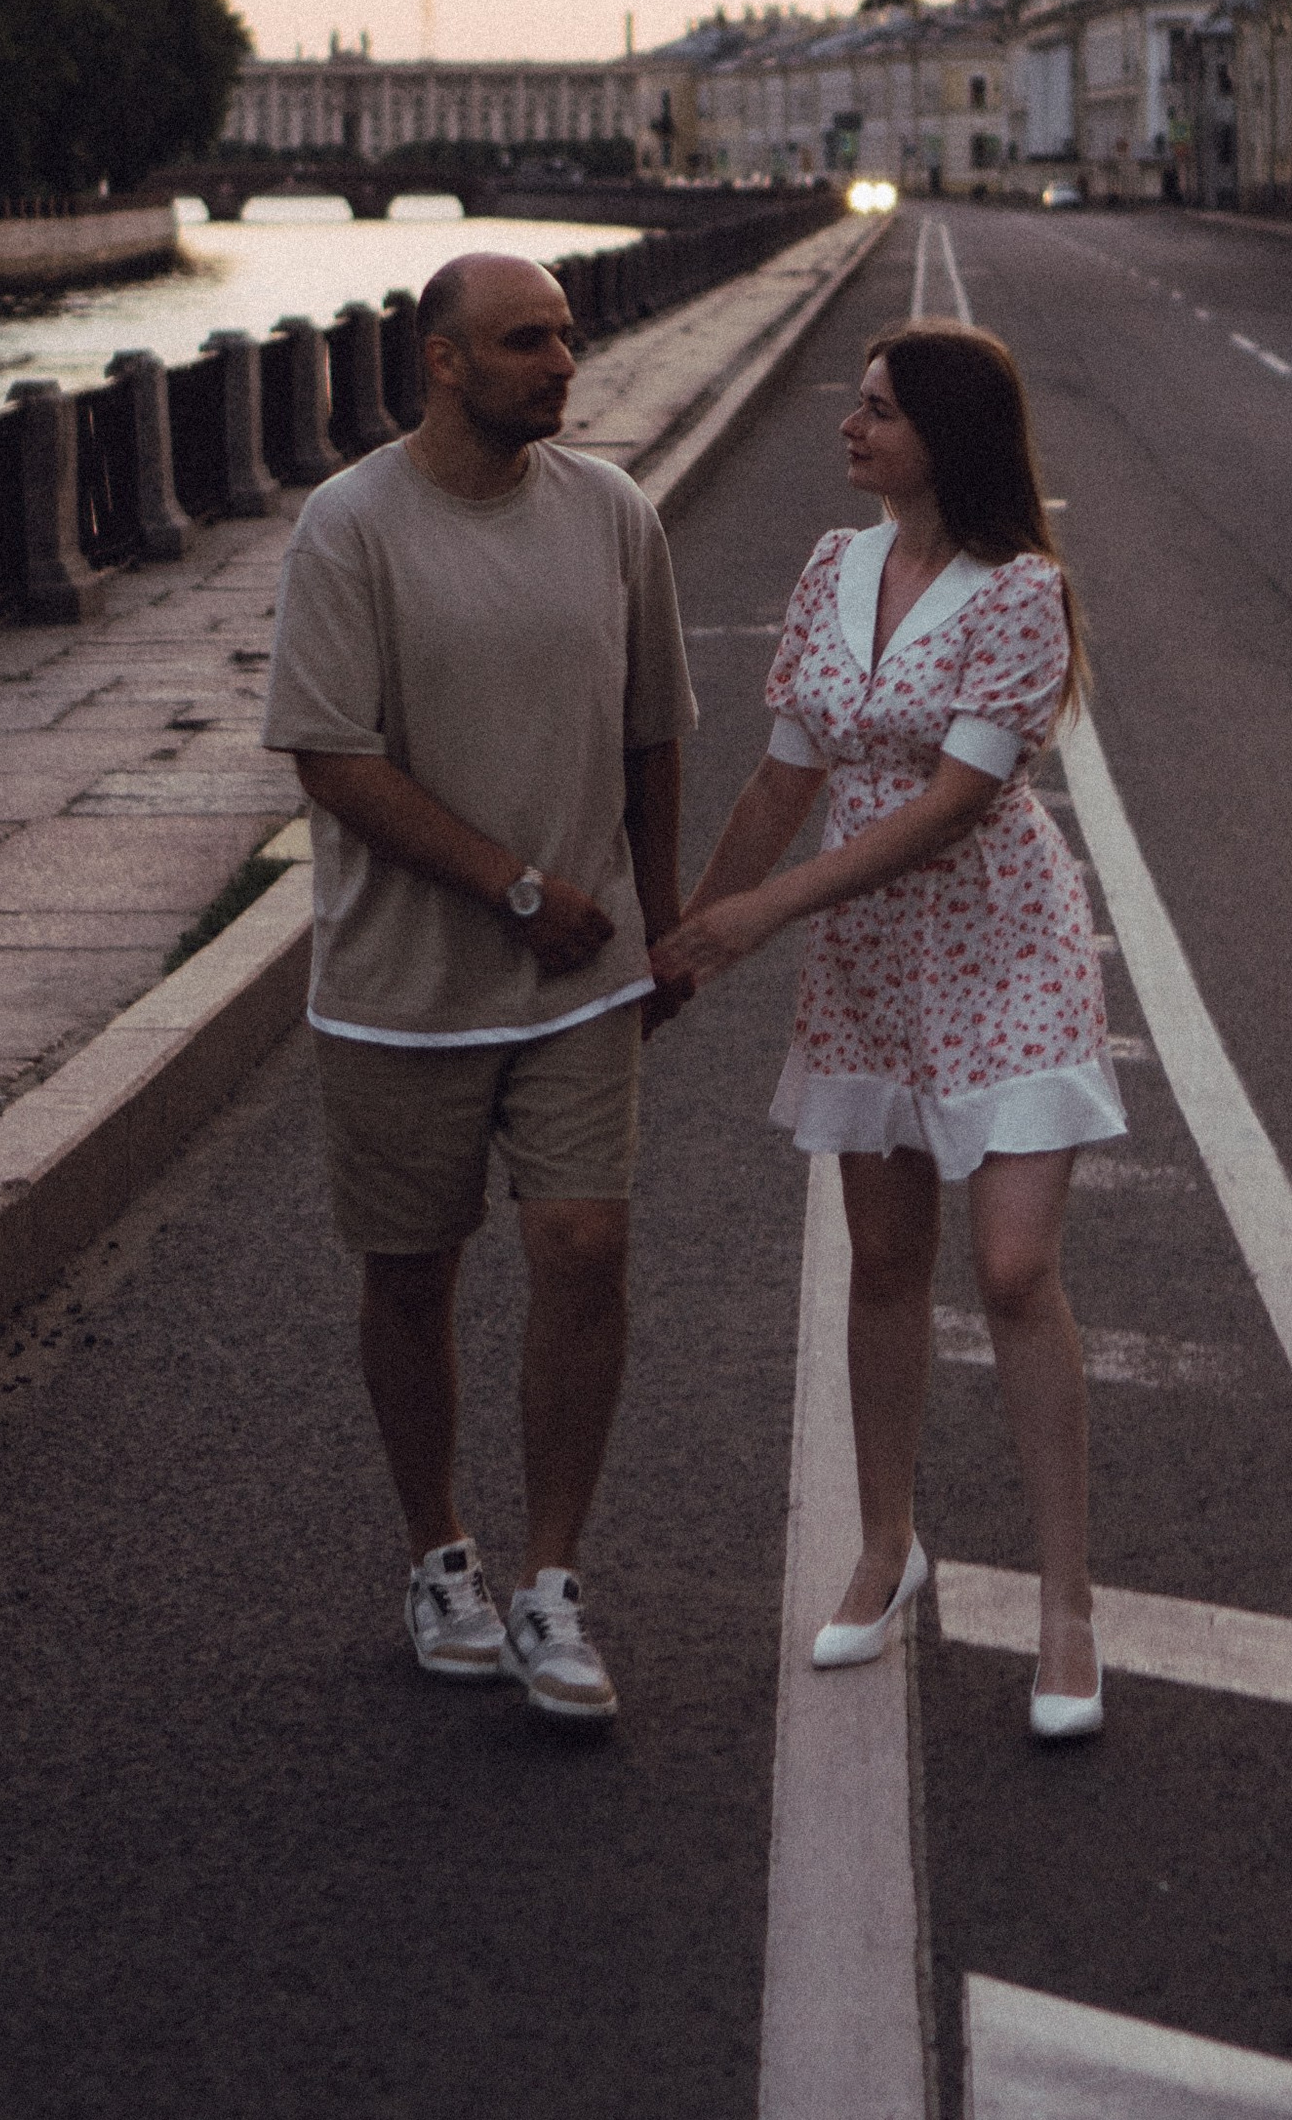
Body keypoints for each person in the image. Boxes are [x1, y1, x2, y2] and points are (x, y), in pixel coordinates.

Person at [653, 324, 1122, 1739]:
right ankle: (885, 1544)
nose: (848, 429)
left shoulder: (1021, 592)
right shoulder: (829, 570)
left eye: (876, 412)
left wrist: (762, 917)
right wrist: (687, 930)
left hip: (1002, 950)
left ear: (947, 435)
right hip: (869, 961)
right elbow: (784, 779)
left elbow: (951, 806)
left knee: (1016, 1268)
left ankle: (1066, 1608)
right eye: (853, 407)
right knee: (884, 1264)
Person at [262, 251, 696, 1726]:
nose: (563, 362)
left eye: (567, 336)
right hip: (402, 984)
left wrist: (663, 914)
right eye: (526, 341)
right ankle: (439, 1552)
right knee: (413, 1273)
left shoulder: (616, 516)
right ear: (443, 362)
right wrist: (512, 887)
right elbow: (332, 757)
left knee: (582, 1248)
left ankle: (553, 1586)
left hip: (577, 976)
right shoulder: (350, 527)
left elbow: (654, 731)